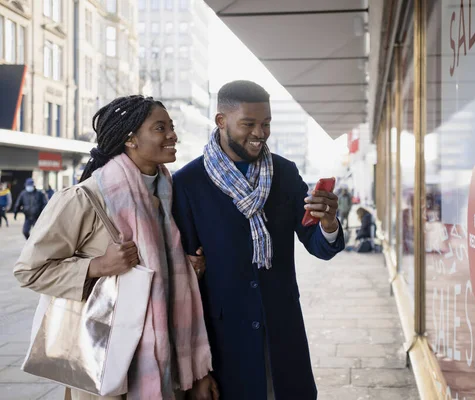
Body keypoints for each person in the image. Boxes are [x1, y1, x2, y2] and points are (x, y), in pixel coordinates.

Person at [14, 95, 216, 400]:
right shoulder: (85, 198)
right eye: (160, 128)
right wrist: (98, 266)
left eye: (171, 127)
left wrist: (186, 269)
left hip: (166, 371)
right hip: (105, 369)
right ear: (130, 139)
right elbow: (29, 271)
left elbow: (158, 277)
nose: (172, 135)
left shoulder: (168, 196)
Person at [172, 80, 345, 400]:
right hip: (224, 342)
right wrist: (198, 370)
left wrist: (329, 222)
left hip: (282, 331)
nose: (259, 133)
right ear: (221, 121)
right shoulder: (187, 183)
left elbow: (320, 247)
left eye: (265, 124)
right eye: (248, 124)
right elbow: (185, 283)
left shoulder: (285, 173)